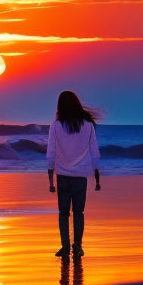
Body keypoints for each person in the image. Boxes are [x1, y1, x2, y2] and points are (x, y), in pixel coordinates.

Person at [46, 90, 101, 258]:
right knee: (79, 212)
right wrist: (97, 176)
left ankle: (65, 247)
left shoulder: (56, 126)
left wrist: (50, 179)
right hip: (81, 176)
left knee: (63, 213)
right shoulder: (88, 125)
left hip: (62, 174)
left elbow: (51, 152)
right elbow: (94, 152)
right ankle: (77, 246)